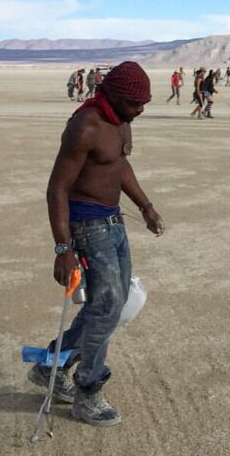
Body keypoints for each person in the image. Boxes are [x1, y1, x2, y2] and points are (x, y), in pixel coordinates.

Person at [29, 61, 164, 427]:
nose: (141, 110)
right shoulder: (86, 126)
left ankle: (48, 366)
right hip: (87, 226)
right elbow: (56, 188)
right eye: (135, 103)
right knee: (105, 310)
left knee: (113, 303)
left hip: (113, 221)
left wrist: (145, 206)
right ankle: (87, 392)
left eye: (144, 103)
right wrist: (63, 249)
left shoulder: (121, 122)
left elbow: (118, 167)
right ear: (114, 96)